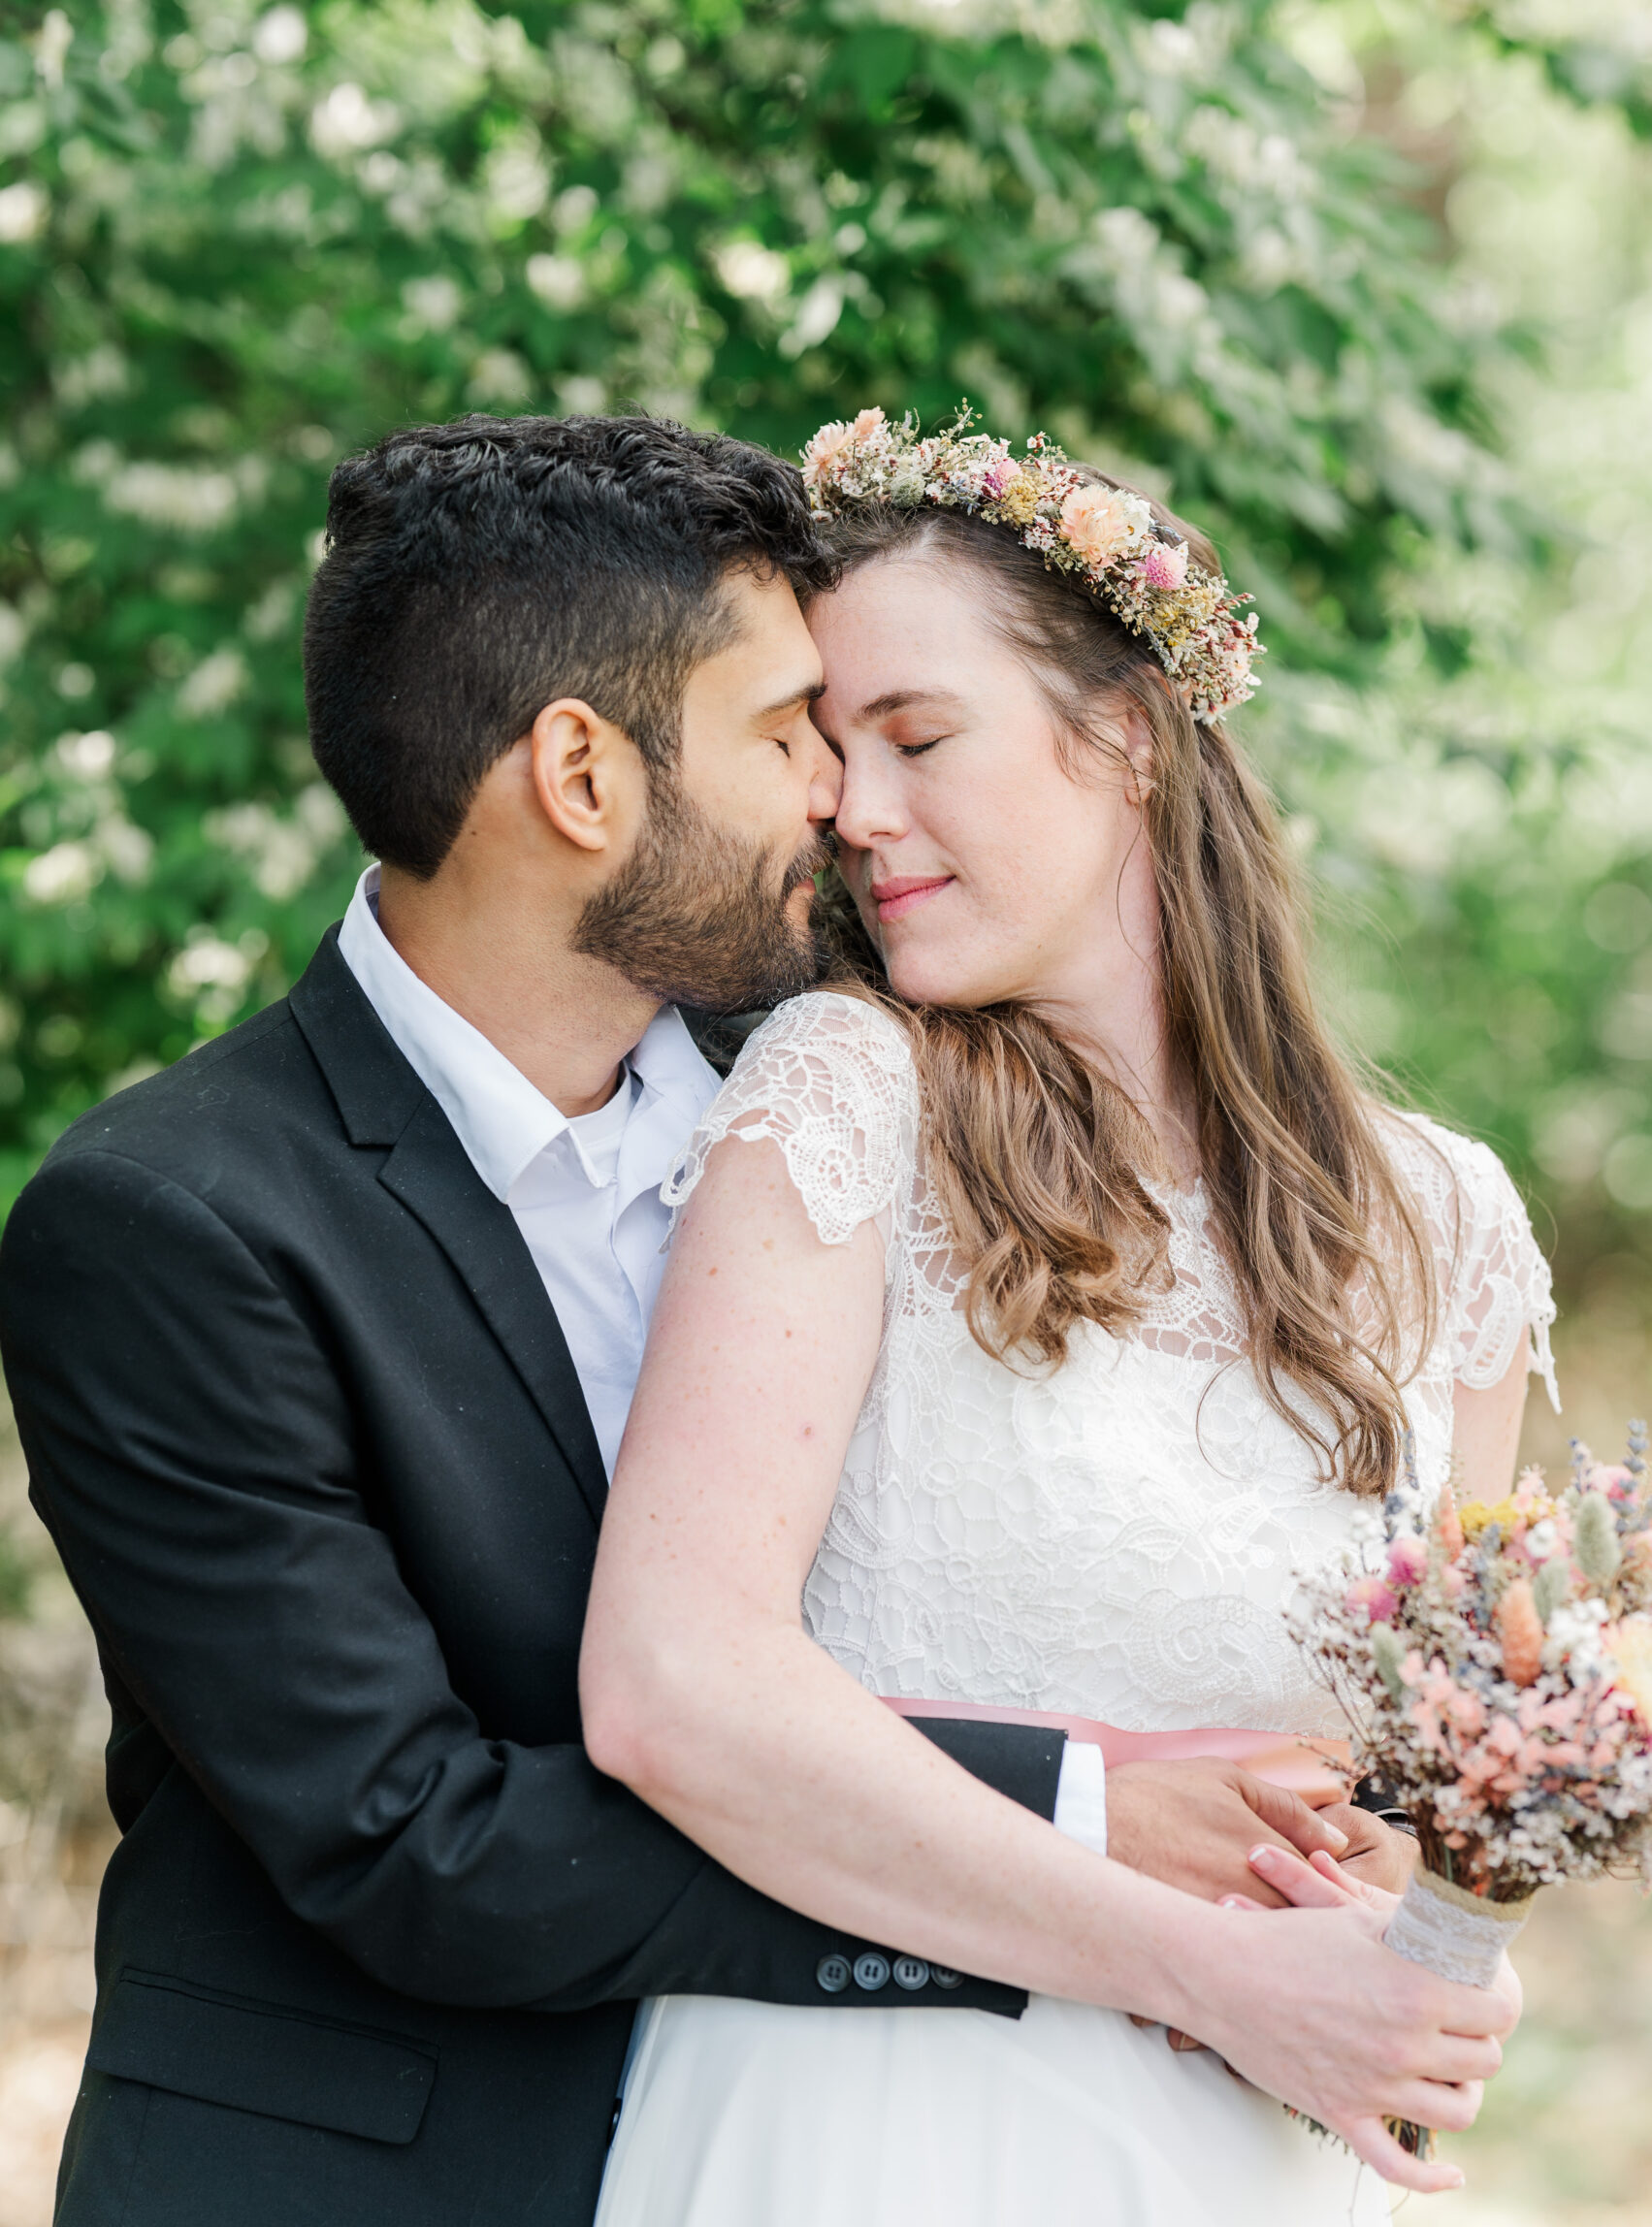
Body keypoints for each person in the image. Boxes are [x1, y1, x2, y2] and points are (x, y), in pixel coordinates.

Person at [0, 413, 1474, 2227]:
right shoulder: (173, 1222)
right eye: (789, 734)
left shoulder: (843, 1089)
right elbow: (415, 1842)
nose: (839, 802)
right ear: (582, 776)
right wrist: (1089, 1828)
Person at [580, 409, 1553, 2226]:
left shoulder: (1448, 1229)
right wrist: (1208, 1965)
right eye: (831, 752)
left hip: (1257, 2148)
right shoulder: (848, 1096)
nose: (851, 811)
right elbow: (671, 1688)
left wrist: (1435, 1945)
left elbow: (1428, 1782)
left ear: (1127, 735)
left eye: (918, 737)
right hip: (881, 2124)